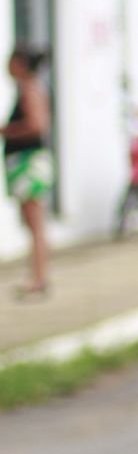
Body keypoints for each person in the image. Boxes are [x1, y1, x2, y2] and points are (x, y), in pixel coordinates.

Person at [4, 48, 52, 301]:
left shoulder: (30, 90)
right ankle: (37, 276)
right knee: (32, 223)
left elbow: (37, 125)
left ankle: (38, 278)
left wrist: (7, 131)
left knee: (35, 223)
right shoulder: (28, 88)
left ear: (20, 64)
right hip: (25, 162)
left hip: (28, 163)